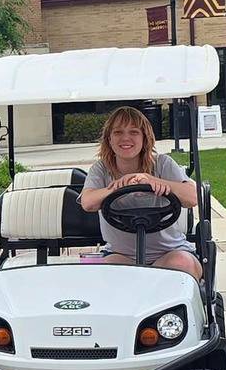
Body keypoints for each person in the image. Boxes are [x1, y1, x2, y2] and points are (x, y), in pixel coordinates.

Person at [77, 105, 203, 278]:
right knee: (105, 273)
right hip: (122, 255)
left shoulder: (162, 164)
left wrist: (154, 181)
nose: (125, 138)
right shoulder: (101, 169)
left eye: (134, 132)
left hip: (169, 252)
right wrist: (116, 187)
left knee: (182, 264)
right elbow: (88, 202)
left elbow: (193, 197)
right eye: (118, 132)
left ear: (145, 138)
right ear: (109, 139)